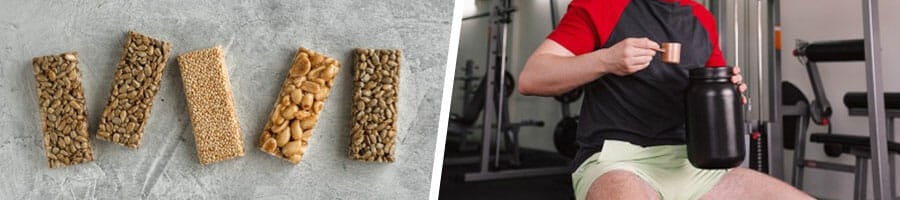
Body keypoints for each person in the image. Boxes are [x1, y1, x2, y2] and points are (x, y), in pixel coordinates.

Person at [518, 0, 812, 199]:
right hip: (617, 160)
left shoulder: (700, 17)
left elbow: (710, 88)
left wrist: (730, 91)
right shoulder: (603, 5)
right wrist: (606, 60)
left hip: (694, 165)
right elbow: (531, 77)